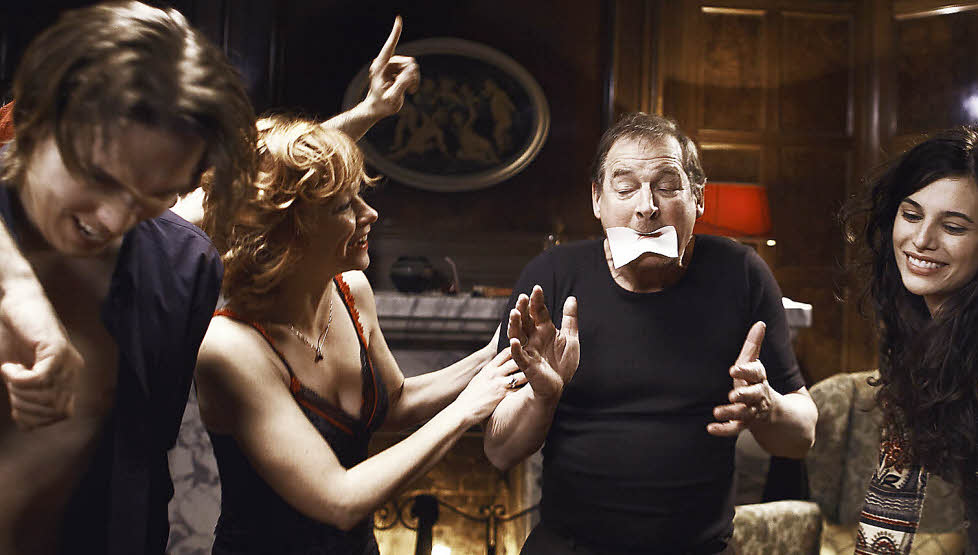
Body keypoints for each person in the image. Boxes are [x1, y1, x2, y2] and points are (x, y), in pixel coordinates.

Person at [0, 2, 417, 553]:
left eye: (154, 190)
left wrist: (368, 113)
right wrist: (26, 303)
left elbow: (265, 185)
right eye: (105, 177)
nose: (118, 214)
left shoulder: (175, 247)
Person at [193, 116, 578, 554]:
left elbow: (393, 403)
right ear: (289, 227)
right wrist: (465, 411)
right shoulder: (230, 347)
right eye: (344, 206)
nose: (369, 214)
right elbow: (339, 500)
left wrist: (497, 354)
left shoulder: (350, 291)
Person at [483, 112, 818, 554]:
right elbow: (499, 451)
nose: (646, 207)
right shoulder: (552, 277)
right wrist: (541, 396)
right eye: (625, 188)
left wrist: (767, 407)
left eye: (667, 186)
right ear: (597, 200)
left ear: (698, 198)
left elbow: (802, 437)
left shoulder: (740, 273)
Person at [848, 128, 978, 553]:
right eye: (911, 215)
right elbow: (892, 492)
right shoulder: (918, 326)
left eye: (953, 227)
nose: (922, 240)